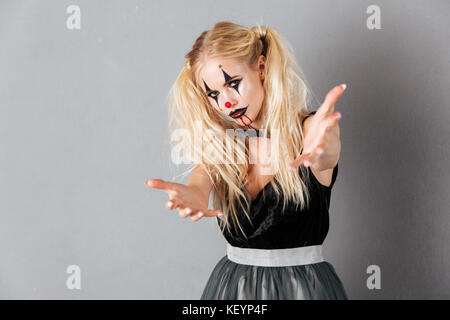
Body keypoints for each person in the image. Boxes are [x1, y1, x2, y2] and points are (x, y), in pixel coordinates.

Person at [146, 21, 348, 299]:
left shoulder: (312, 129)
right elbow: (199, 183)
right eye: (213, 94)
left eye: (233, 83)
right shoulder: (225, 143)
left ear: (262, 68)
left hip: (302, 290)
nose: (225, 102)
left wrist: (322, 150)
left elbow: (326, 153)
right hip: (234, 288)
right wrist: (191, 196)